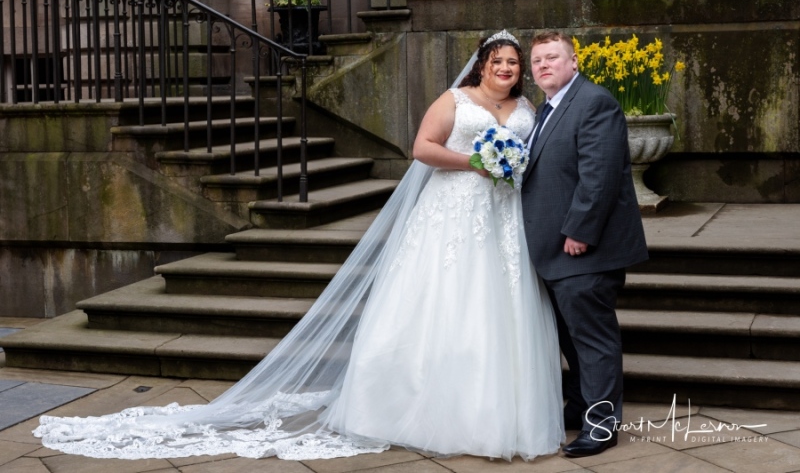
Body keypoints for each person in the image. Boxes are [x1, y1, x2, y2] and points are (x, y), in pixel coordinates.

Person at [34, 30, 564, 462]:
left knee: (497, 309)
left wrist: (507, 168)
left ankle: (493, 411)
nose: (507, 69)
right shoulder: (455, 101)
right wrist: (474, 161)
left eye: (513, 63)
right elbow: (421, 148)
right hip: (450, 216)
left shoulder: (527, 109)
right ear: (480, 64)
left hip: (502, 220)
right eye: (499, 60)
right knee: (441, 304)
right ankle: (414, 406)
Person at [521, 31, 649, 458]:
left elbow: (601, 175)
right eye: (537, 60)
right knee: (570, 337)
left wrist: (580, 230)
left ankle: (602, 424)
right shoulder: (548, 109)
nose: (543, 65)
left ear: (573, 62)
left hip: (584, 249)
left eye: (552, 57)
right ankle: (578, 406)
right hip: (554, 253)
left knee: (592, 339)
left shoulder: (594, 102)